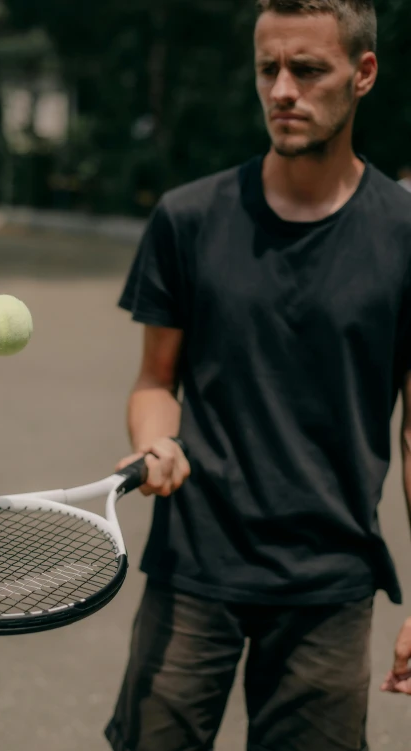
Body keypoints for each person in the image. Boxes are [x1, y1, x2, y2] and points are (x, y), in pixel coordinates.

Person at [104, 1, 411, 750]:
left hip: (329, 583)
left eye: (307, 70)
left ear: (363, 73)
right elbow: (155, 382)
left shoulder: (403, 237)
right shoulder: (188, 217)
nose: (281, 90)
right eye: (267, 68)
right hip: (193, 568)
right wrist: (156, 444)